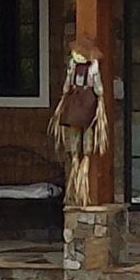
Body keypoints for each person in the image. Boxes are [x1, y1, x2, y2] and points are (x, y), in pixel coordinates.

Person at [49, 36, 110, 207]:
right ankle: (77, 163)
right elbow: (98, 90)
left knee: (84, 136)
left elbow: (69, 87)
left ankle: (80, 165)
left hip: (83, 107)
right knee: (78, 136)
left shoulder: (87, 69)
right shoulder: (79, 68)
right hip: (83, 106)